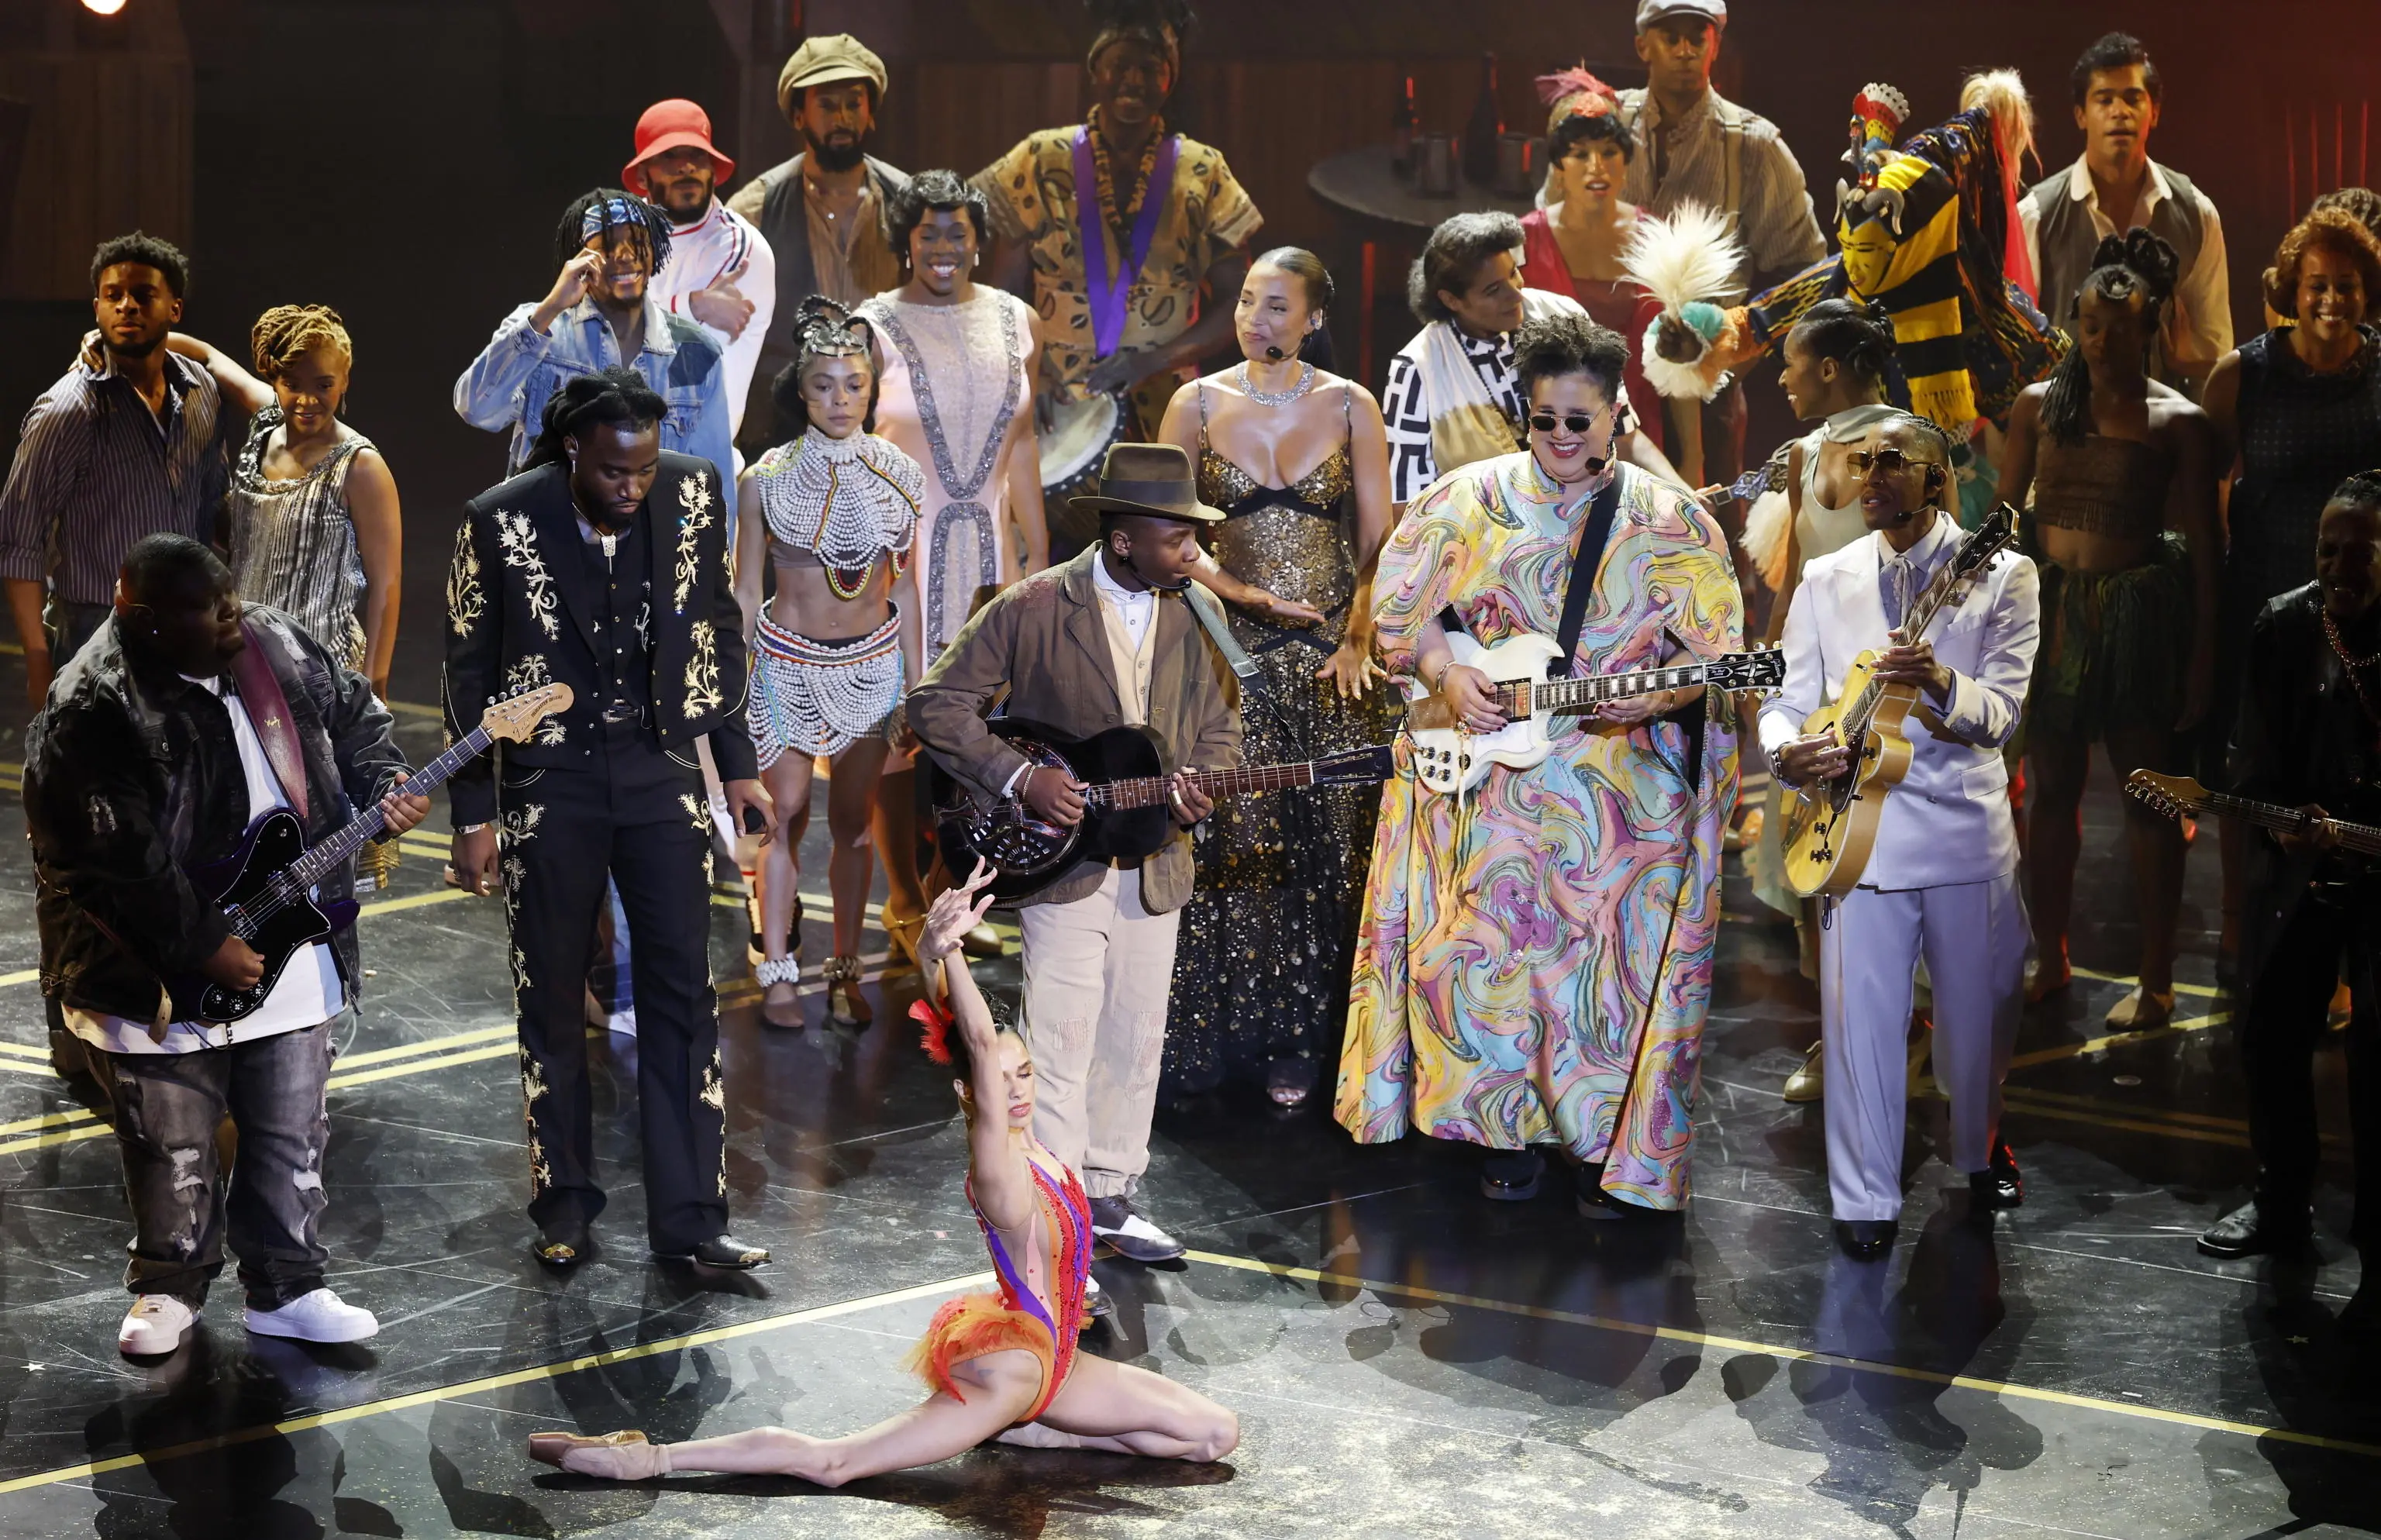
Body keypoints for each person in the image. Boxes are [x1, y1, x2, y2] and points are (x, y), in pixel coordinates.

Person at [525, 865, 1239, 1483]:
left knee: (1214, 1435)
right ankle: (648, 1457)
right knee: (834, 1463)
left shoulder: (1045, 1147)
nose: (1016, 1087)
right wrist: (949, 953)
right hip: (1014, 1365)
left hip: (1058, 1366)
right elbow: (976, 1042)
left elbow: (974, 1039)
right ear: (969, 1093)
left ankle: (1031, 1430)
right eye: (999, 1079)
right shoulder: (999, 1166)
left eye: (1024, 1071)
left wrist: (932, 955)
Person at [1340, 310, 1741, 1218]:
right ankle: (1503, 1132)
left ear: (1616, 415)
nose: (1560, 437)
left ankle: (1601, 1142)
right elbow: (1403, 617)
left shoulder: (1672, 520)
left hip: (1623, 798)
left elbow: (1712, 658)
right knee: (1490, 965)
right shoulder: (1465, 499)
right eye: (1544, 419)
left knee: (1608, 977)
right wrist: (1449, 674)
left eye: (1579, 421)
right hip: (1493, 786)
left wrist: (1658, 698)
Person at [22, 534, 429, 1354]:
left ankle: (289, 1285)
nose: (231, 619)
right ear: (144, 618)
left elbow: (354, 713)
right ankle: (169, 1288)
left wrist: (384, 780)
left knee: (291, 1126)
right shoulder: (93, 702)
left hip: (290, 924)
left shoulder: (272, 640)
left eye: (230, 601)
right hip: (153, 962)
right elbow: (109, 853)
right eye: (207, 613)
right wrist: (203, 940)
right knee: (170, 1137)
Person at [444, 367, 770, 1271]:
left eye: (645, 469)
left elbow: (716, 632)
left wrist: (737, 764)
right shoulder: (499, 518)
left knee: (683, 991)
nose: (633, 486)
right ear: (573, 451)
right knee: (550, 993)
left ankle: (694, 1220)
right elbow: (468, 670)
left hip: (660, 771)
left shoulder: (693, 493)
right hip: (551, 781)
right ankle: (565, 1206)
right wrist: (472, 813)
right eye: (615, 471)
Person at [910, 443, 1241, 1271]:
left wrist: (1205, 785)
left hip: (1156, 857)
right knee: (1059, 1040)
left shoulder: (1199, 612)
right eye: (1178, 536)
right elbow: (936, 703)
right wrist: (1020, 776)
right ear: (1124, 539)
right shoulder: (1032, 607)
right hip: (1064, 864)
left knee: (1135, 1035)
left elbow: (1220, 727)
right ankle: (1055, 1226)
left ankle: (1109, 1196)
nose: (1193, 550)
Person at [1762, 414, 2040, 1259]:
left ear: (1937, 477)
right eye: (1861, 462)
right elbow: (1786, 699)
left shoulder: (2002, 572)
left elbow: (2003, 714)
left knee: (1979, 1021)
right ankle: (1865, 1199)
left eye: (1892, 461)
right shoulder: (1825, 576)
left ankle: (1975, 1147)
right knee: (1858, 1026)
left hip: (1961, 829)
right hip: (1854, 831)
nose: (1872, 476)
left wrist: (1943, 683)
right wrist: (1786, 753)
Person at [1153, 247, 1397, 1108]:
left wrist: (1356, 639)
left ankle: (1313, 1039)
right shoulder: (1194, 403)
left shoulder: (1351, 404)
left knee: (1331, 844)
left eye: (1277, 306)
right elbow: (1166, 535)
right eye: (1247, 303)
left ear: (1314, 319)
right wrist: (1243, 594)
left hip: (1331, 650)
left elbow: (1379, 543)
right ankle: (1233, 1033)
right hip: (1227, 646)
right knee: (1237, 837)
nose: (1256, 320)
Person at [2000, 233, 2220, 1027]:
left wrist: (2203, 657)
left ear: (2150, 326)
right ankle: (2051, 955)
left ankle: (2156, 977)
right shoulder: (2039, 406)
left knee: (2148, 794)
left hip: (2136, 620)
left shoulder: (2178, 421)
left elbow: (2208, 550)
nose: (2101, 340)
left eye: (2120, 328)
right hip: (2056, 615)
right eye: (2091, 324)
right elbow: (2005, 521)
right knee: (2052, 789)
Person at [2196, 474, 2381, 1346]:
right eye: (2328, 549)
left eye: (2361, 552)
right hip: (2304, 869)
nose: (2340, 567)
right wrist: (2281, 822)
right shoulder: (2286, 624)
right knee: (2271, 1033)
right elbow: (2253, 757)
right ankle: (2280, 1204)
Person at [860, 168, 1051, 964]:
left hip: (987, 557)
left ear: (978, 240)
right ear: (906, 240)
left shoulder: (1017, 320)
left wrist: (1037, 552)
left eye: (958, 231)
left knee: (980, 725)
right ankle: (904, 899)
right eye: (929, 232)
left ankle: (952, 891)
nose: (944, 246)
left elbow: (1026, 441)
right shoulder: (873, 325)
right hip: (896, 558)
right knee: (898, 729)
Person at [735, 299, 923, 1027]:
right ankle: (779, 968)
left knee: (853, 822)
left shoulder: (900, 474)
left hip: (872, 670)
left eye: (854, 384)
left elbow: (903, 587)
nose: (840, 399)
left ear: (872, 389)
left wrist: (916, 684)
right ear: (801, 390)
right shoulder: (766, 478)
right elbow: (746, 590)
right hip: (785, 665)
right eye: (823, 385)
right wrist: (737, 681)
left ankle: (846, 965)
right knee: (782, 816)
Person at [2203, 208, 2381, 965]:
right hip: (2265, 602)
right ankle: (2238, 927)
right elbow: (2203, 494)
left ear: (2367, 292)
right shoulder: (2244, 373)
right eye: (2317, 284)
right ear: (2290, 290)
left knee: (2349, 779)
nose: (2332, 299)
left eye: (2347, 284)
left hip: (2363, 613)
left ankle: (2342, 952)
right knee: (2252, 772)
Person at [1736, 298, 1904, 1099]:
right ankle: (1836, 1034)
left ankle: (1900, 1036)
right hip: (1812, 688)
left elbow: (1928, 573)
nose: (1782, 378)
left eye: (1792, 364)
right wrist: (1769, 670)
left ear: (1830, 369)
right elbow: (1795, 576)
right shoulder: (1804, 454)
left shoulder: (1905, 445)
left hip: (1880, 687)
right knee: (1812, 863)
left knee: (1875, 867)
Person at [973, 0, 1263, 439]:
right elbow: (1003, 299)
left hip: (1167, 404)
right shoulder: (1040, 159)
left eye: (1149, 68)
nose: (1133, 80)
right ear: (1095, 71)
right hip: (1058, 403)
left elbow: (1239, 303)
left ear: (1170, 78)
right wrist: (1030, 377)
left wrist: (1154, 361)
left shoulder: (1203, 172)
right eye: (1120, 65)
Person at [2, 233, 228, 708]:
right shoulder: (67, 410)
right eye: (114, 295)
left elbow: (213, 505)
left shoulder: (200, 391)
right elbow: (19, 543)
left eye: (143, 294)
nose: (127, 306)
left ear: (175, 308)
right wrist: (39, 665)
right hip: (93, 629)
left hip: (184, 626)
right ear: (97, 308)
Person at [1616, 0, 1826, 484]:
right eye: (1671, 36)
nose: (1685, 50)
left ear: (1716, 45)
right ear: (1643, 45)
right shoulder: (1605, 126)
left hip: (1708, 384)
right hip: (1606, 374)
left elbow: (1806, 274)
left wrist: (1736, 350)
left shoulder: (1754, 144)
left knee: (1705, 511)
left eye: (1698, 36)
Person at [144, 305, 403, 695]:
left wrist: (375, 691)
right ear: (275, 380)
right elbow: (208, 356)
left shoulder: (360, 466)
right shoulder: (267, 424)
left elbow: (386, 585)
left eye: (323, 385)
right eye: (292, 384)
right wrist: (109, 345)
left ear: (345, 380)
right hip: (240, 661)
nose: (307, 400)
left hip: (319, 674)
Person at [1382, 211, 1680, 520]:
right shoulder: (1417, 370)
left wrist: (1683, 498)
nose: (1515, 294)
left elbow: (1625, 437)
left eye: (1513, 273)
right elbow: (1407, 503)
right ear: (1451, 300)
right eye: (1493, 290)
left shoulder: (1564, 316)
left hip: (1586, 530)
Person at [454, 188, 735, 495]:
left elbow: (714, 479)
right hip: (551, 522)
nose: (626, 255)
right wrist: (550, 308)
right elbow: (477, 409)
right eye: (608, 246)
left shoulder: (695, 352)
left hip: (647, 525)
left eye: (638, 242)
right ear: (580, 259)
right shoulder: (542, 329)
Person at [2022, 33, 2231, 397]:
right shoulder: (2037, 215)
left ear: (2155, 112)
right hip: (2064, 421)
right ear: (2080, 115)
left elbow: (2216, 349)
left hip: (2161, 420)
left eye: (2133, 98)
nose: (2120, 111)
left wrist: (2186, 359)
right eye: (2104, 99)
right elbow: (2017, 350)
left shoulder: (2195, 213)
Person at [726, 33, 908, 450]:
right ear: (798, 116)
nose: (841, 117)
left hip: (886, 414)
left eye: (853, 104)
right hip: (783, 420)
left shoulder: (905, 201)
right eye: (826, 105)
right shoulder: (757, 207)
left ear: (871, 113)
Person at [1519, 69, 1668, 456]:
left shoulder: (1655, 235)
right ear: (1558, 165)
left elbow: (1680, 357)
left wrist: (1693, 457)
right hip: (1552, 440)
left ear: (1627, 160)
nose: (1597, 166)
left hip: (1641, 437)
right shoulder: (1524, 241)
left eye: (1609, 152)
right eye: (1580, 154)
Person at [623, 98, 777, 443]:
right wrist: (692, 304)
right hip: (617, 452)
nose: (686, 167)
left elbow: (667, 357)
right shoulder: (621, 236)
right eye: (669, 156)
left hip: (696, 453)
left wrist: (675, 307)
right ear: (643, 175)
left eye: (697, 154)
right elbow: (588, 335)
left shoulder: (741, 248)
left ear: (712, 169)